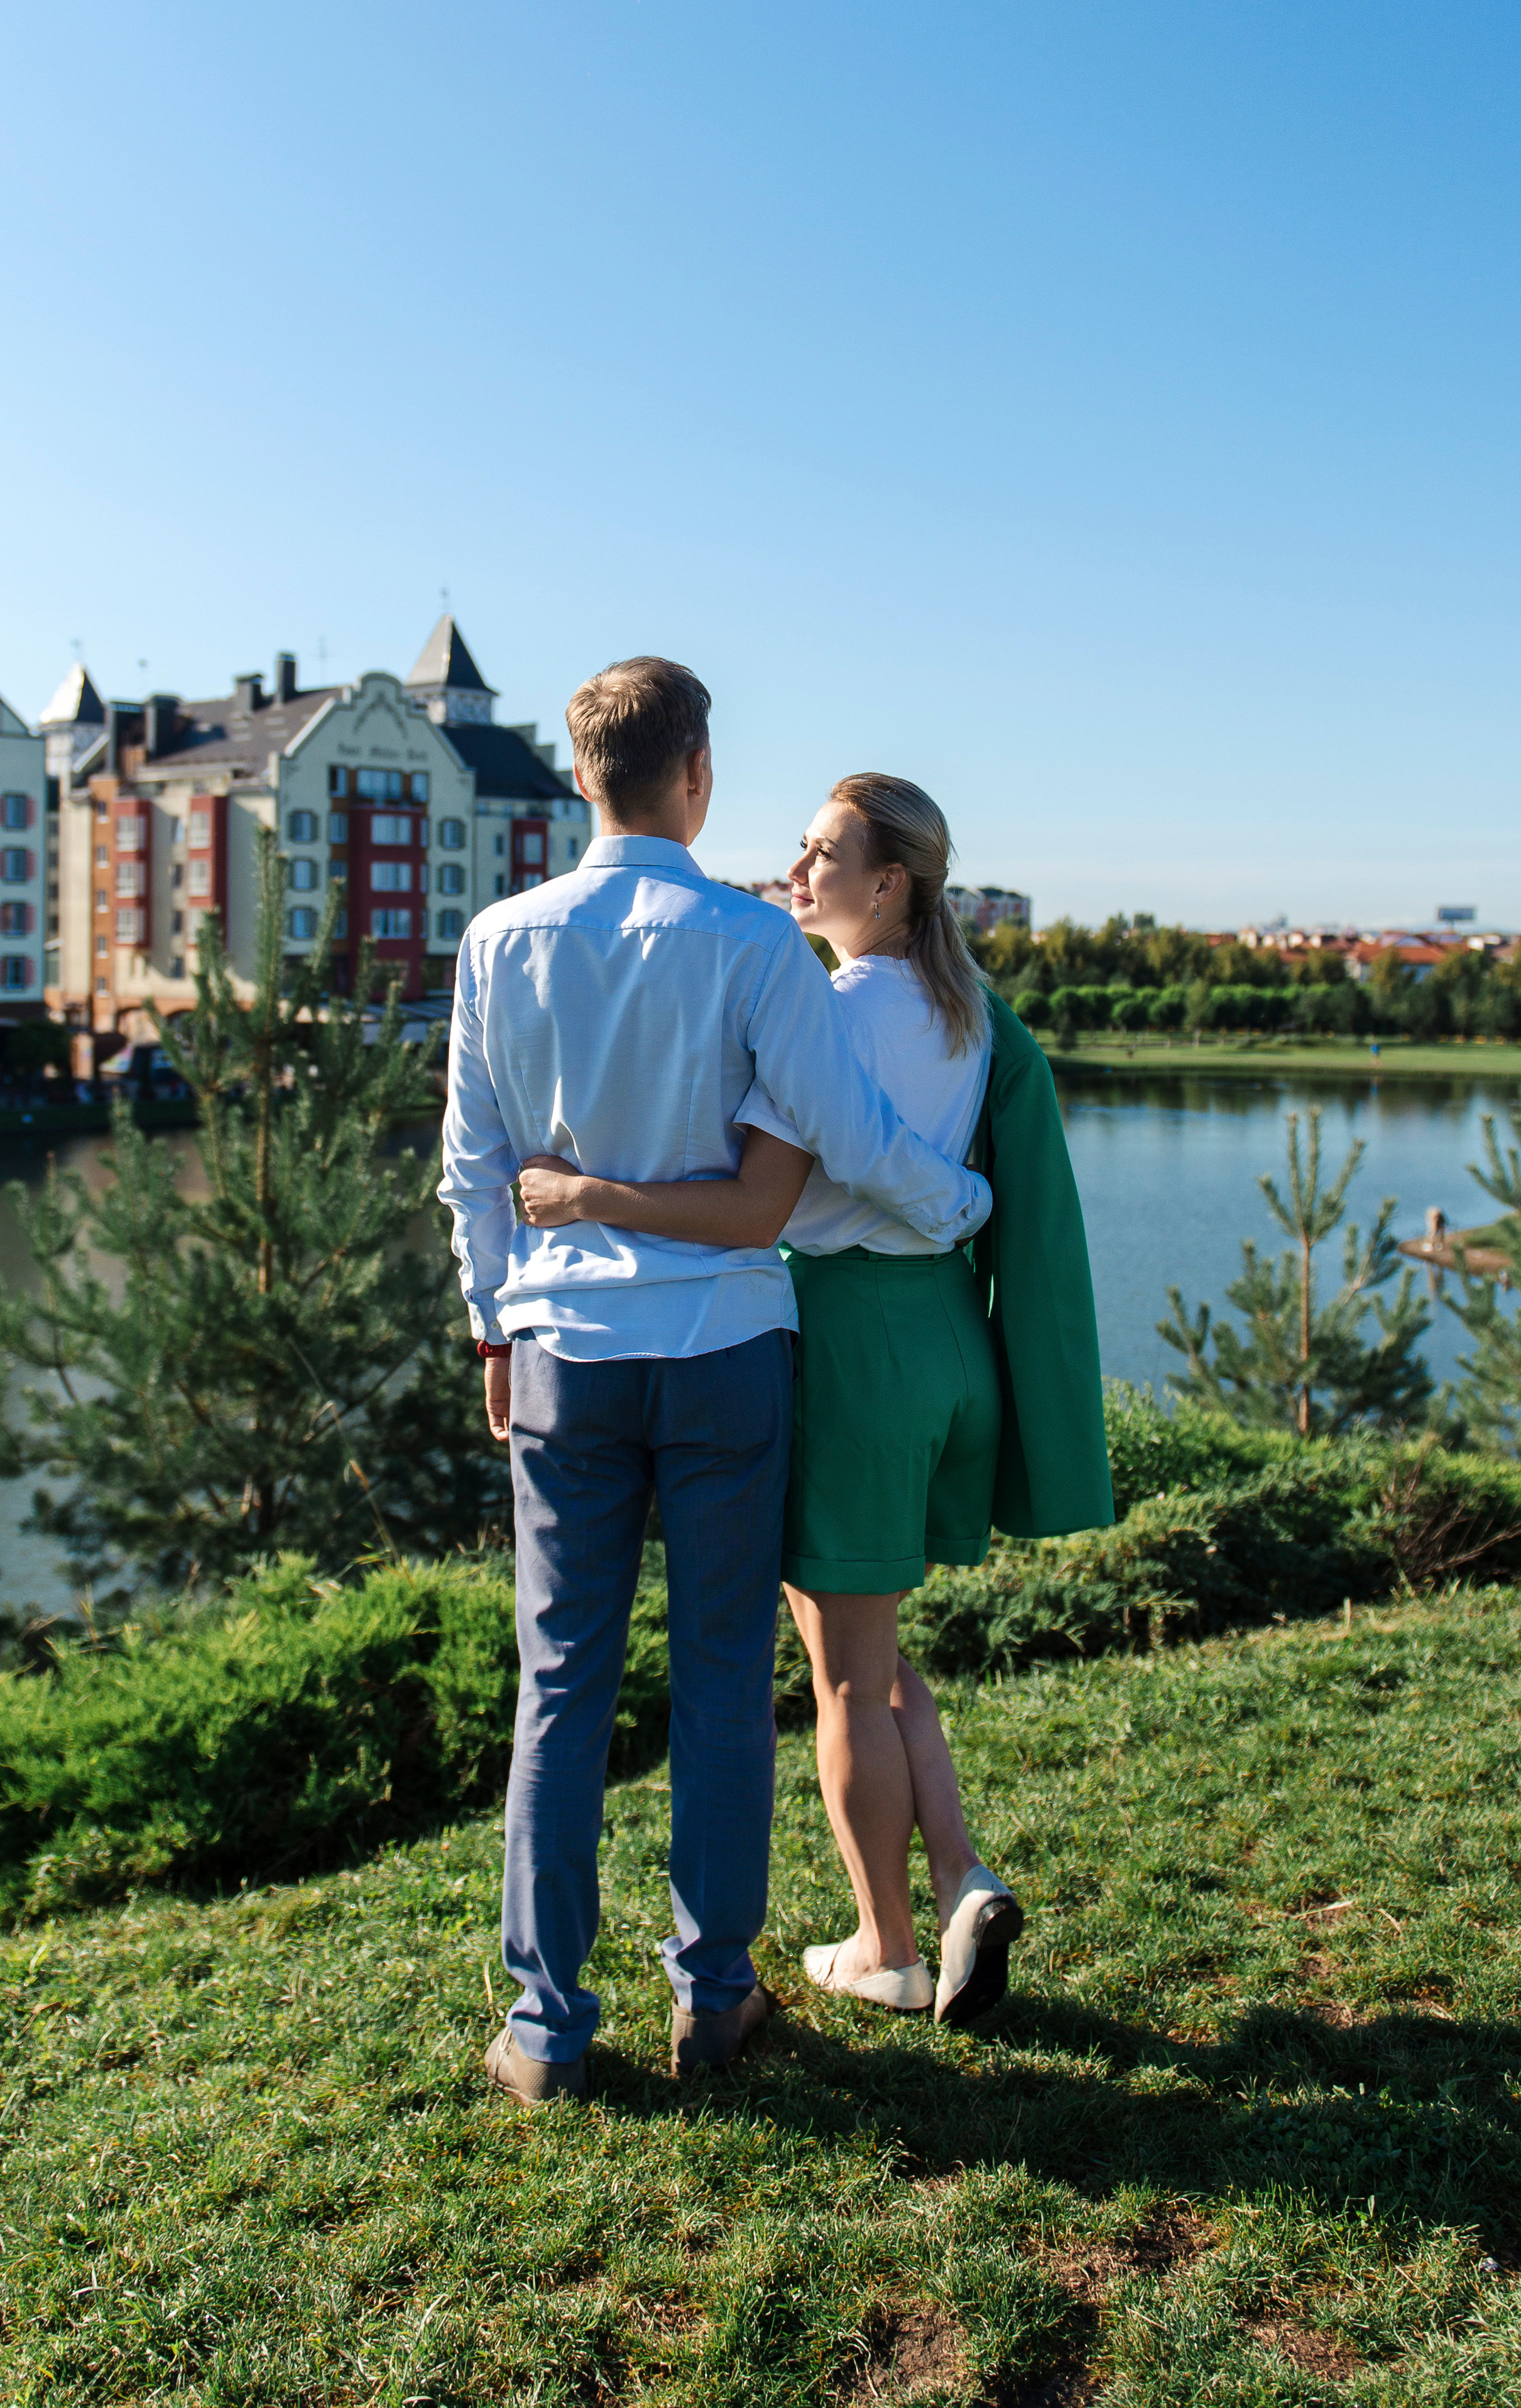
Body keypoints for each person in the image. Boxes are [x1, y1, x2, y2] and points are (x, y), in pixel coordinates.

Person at [440, 665, 993, 2103]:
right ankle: (712, 1999)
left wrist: (495, 1330)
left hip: (563, 1356)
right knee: (722, 1689)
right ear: (696, 773)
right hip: (728, 1359)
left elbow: (472, 1173)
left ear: (580, 781)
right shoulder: (752, 944)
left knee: (558, 1691)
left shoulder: (498, 939)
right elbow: (844, 1131)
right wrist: (960, 1204)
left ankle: (547, 2029)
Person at [520, 775, 1113, 2025]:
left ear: (886, 882)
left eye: (822, 852)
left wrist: (586, 1195)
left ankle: (884, 1948)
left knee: (841, 1669)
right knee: (877, 1649)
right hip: (947, 1330)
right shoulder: (966, 1009)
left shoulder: (835, 1010)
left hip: (851, 1340)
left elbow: (761, 1204)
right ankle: (957, 1878)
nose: (797, 868)